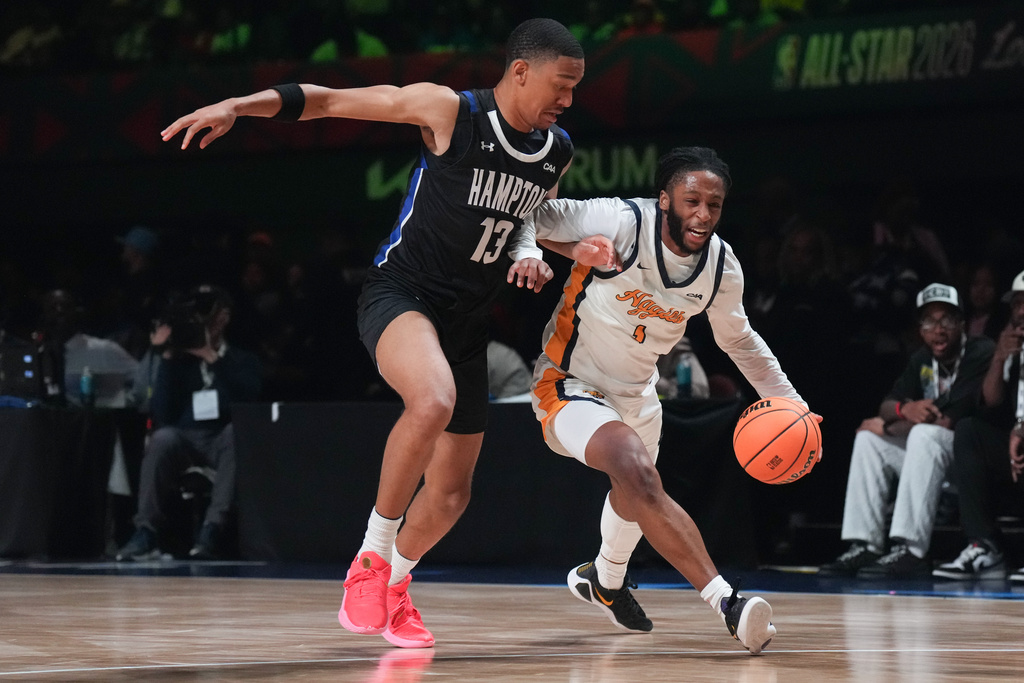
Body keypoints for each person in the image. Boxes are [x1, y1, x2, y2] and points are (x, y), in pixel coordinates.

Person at [160, 18, 584, 648]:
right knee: (432, 399)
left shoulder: (557, 149)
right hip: (402, 295)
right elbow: (331, 101)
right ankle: (370, 557)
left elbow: (527, 213)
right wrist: (239, 106)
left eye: (575, 89)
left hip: (467, 322)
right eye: (561, 84)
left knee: (449, 496)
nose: (567, 100)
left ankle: (395, 589)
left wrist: (537, 250)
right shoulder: (449, 112)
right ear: (521, 71)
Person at [519, 146, 815, 654]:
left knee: (633, 494)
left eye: (714, 205)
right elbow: (531, 216)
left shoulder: (721, 266)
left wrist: (793, 406)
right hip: (567, 381)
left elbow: (739, 341)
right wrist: (541, 252)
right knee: (639, 477)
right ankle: (729, 603)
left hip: (638, 394)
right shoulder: (621, 221)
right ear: (664, 200)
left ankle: (605, 580)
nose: (702, 215)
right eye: (691, 201)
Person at [819, 283, 995, 579]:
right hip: (930, 461)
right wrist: (902, 412)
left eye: (947, 320)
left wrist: (891, 422)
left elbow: (944, 420)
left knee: (924, 435)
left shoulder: (979, 351)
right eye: (929, 321)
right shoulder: (922, 360)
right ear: (920, 328)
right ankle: (865, 544)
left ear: (962, 324)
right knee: (868, 439)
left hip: (972, 464)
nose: (938, 330)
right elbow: (888, 404)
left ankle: (910, 549)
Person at [115, 285, 262, 561]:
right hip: (185, 437)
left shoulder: (242, 359)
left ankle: (212, 528)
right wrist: (167, 358)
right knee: (162, 438)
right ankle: (145, 531)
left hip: (221, 436)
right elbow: (161, 414)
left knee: (235, 434)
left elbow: (248, 398)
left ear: (224, 318)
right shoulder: (179, 363)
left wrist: (211, 358)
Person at [932, 269, 1024, 580]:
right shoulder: (1012, 341)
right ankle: (983, 546)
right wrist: (999, 357)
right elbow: (992, 400)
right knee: (970, 430)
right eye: (1017, 304)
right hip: (1014, 448)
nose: (1021, 311)